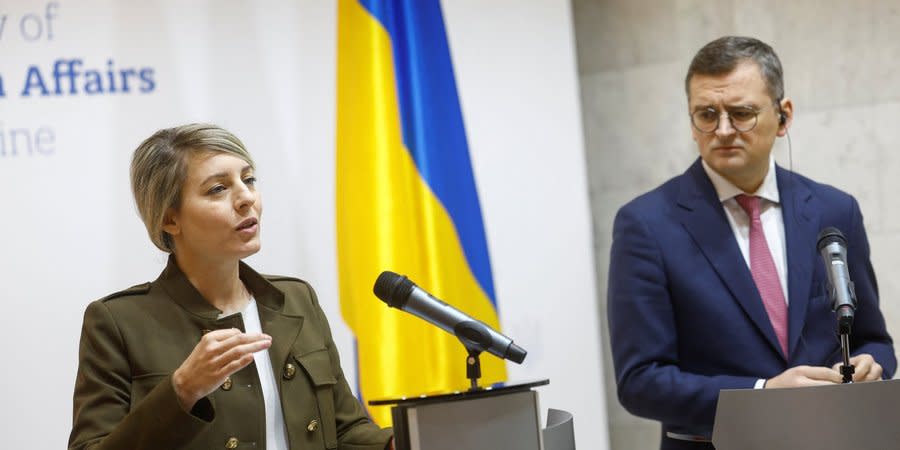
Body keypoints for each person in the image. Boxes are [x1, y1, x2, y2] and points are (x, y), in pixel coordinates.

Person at [607, 36, 896, 450]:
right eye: (706, 114)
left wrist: (873, 367)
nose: (723, 130)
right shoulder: (646, 225)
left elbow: (874, 339)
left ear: (783, 116)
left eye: (741, 113)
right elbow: (640, 381)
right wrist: (763, 393)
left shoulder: (835, 210)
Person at [68, 124, 393, 450]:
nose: (246, 198)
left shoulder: (296, 300)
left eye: (248, 180)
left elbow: (346, 432)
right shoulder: (119, 322)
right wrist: (182, 390)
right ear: (170, 220)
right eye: (218, 189)